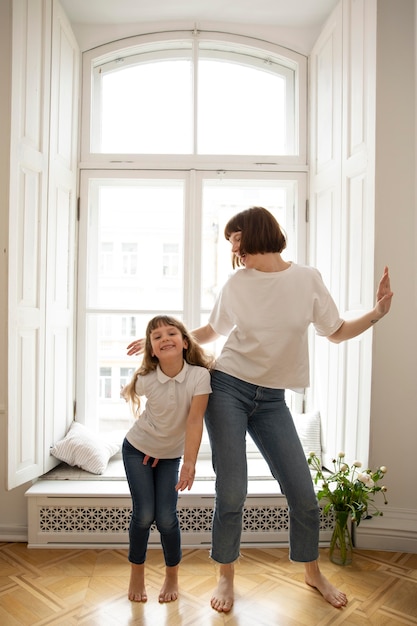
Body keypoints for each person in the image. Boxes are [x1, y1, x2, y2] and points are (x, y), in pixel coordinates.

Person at [127, 207, 393, 612]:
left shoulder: (307, 279)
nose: (234, 248)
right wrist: (162, 340)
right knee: (232, 490)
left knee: (303, 494)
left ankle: (312, 571)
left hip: (271, 399)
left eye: (236, 237)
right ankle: (226, 576)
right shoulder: (237, 284)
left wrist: (375, 314)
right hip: (228, 387)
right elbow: (211, 333)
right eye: (230, 241)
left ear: (256, 233)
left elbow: (336, 331)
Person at [122, 315, 213, 604]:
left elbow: (195, 421)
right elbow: (131, 394)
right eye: (156, 337)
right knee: (144, 515)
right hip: (137, 450)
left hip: (172, 457)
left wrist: (190, 462)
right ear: (151, 350)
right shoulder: (146, 380)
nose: (165, 339)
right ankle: (137, 574)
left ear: (186, 342)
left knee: (166, 519)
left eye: (171, 333)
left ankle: (171, 576)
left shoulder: (200, 376)